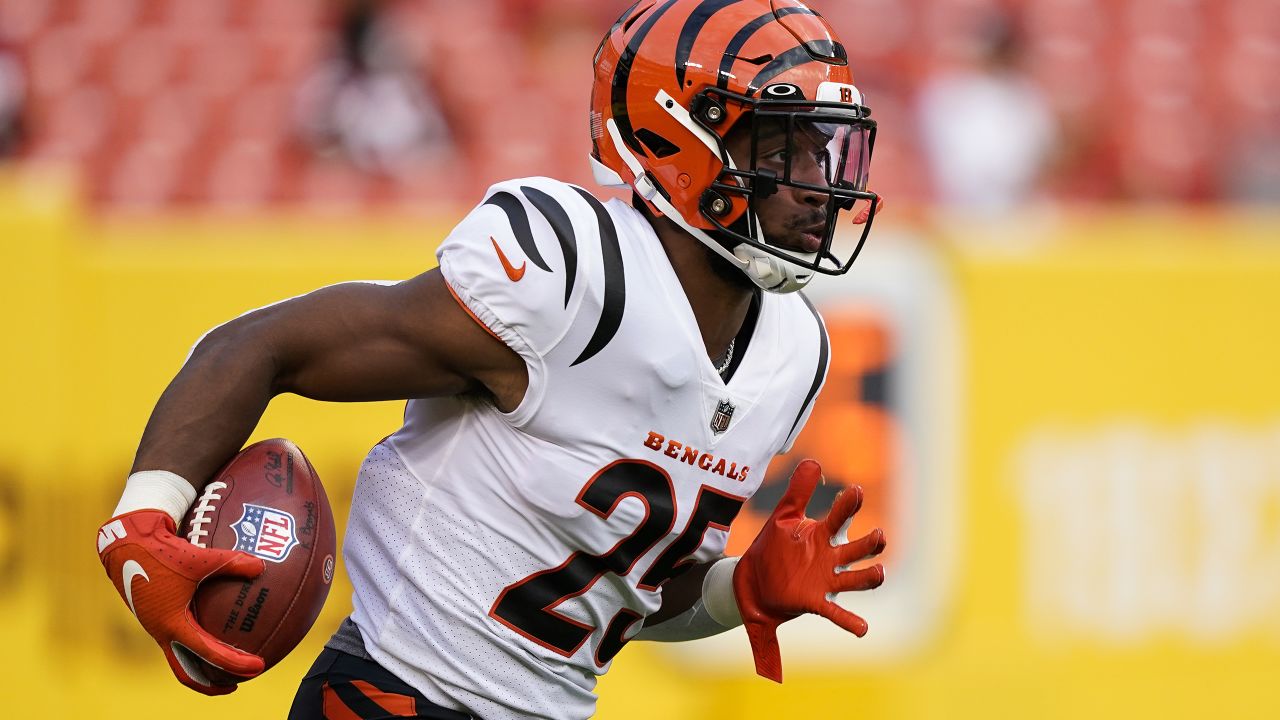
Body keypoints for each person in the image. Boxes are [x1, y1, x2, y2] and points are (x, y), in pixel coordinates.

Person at [95, 1, 887, 718]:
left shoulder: (794, 351)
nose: (819, 185)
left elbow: (616, 591)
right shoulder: (573, 275)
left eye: (824, 152)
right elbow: (263, 345)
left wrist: (733, 589)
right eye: (785, 145)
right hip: (395, 694)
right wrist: (145, 515)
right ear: (675, 133)